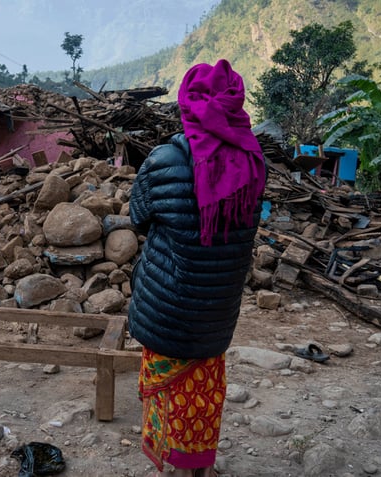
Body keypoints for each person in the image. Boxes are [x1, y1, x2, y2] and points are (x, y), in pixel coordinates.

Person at [128, 59, 266, 477]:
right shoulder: (253, 162)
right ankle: (198, 465)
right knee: (202, 390)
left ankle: (170, 464)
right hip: (217, 309)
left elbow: (138, 217)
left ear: (186, 104)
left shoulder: (162, 159)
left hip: (166, 305)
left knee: (169, 387)